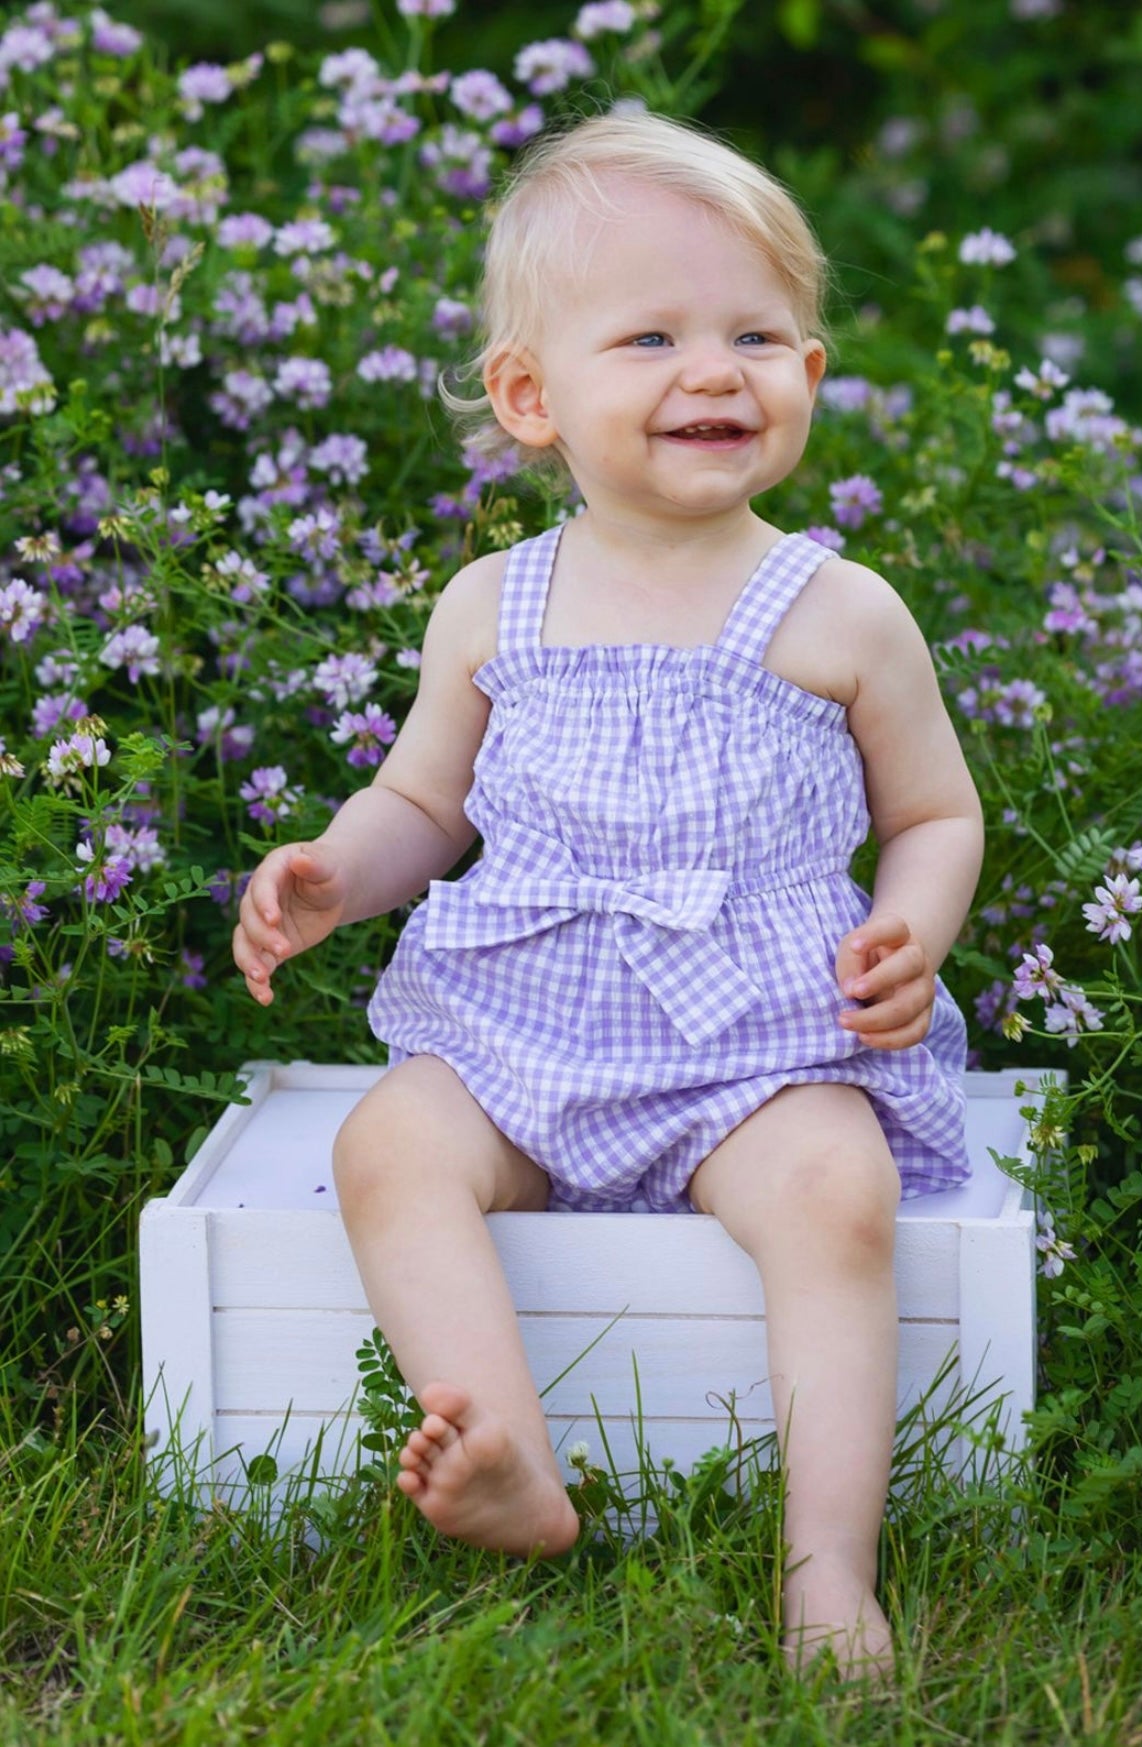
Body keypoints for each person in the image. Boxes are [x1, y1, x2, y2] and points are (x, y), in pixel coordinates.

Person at [232, 109, 983, 1681]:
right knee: (390, 1144)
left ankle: (830, 1569)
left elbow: (934, 810)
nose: (715, 371)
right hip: (534, 1027)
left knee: (836, 1191)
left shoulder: (842, 611)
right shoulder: (492, 604)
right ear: (531, 396)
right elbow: (424, 803)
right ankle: (504, 1450)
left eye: (757, 336)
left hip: (758, 1042)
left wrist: (916, 926)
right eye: (651, 335)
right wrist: (335, 873)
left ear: (810, 379)